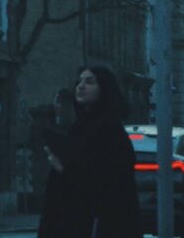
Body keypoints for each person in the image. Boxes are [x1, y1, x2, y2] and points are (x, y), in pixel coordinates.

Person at [37, 66, 142, 238]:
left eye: (89, 82)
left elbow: (111, 186)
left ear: (104, 89)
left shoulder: (111, 131)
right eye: (79, 82)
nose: (81, 86)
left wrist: (63, 169)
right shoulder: (78, 128)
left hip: (98, 226)